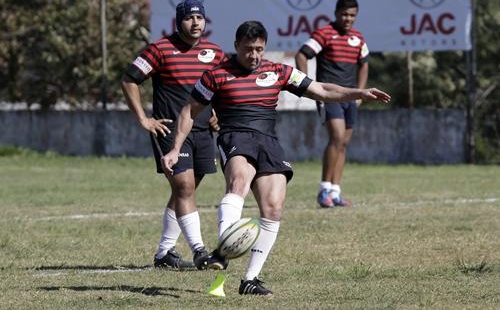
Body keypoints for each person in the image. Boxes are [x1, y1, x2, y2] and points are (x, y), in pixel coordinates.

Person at [162, 21, 390, 295]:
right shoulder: (216, 75)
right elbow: (188, 111)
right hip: (235, 136)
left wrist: (359, 93)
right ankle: (223, 249)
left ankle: (250, 280)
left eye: (259, 49)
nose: (254, 55)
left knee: (273, 207)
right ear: (236, 46)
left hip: (268, 142)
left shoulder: (278, 71)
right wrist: (175, 148)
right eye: (248, 49)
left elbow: (321, 90)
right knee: (239, 181)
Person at [121, 0, 226, 270]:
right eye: (189, 18)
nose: (195, 23)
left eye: (199, 18)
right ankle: (200, 251)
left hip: (202, 132)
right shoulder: (161, 49)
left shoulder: (215, 53)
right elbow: (130, 79)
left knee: (184, 191)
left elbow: (224, 87)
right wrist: (143, 119)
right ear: (178, 21)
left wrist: (218, 114)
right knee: (184, 187)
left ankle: (165, 253)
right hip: (170, 130)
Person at [295, 0, 369, 208]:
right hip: (328, 96)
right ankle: (324, 190)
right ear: (336, 13)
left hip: (350, 98)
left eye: (352, 15)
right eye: (344, 14)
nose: (348, 19)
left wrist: (360, 92)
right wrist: (306, 85)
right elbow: (302, 55)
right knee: (336, 137)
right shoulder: (324, 34)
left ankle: (335, 192)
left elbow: (364, 64)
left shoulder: (358, 38)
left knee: (344, 143)